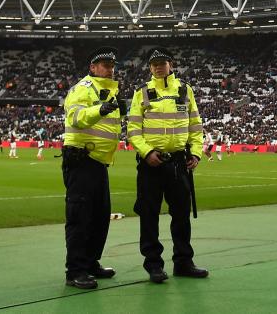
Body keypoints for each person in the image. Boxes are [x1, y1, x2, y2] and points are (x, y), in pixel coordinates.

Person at [128, 47, 208, 283]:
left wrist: (195, 153)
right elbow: (133, 129)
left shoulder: (185, 90)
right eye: (154, 64)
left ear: (170, 64)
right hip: (150, 163)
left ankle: (183, 262)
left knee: (181, 215)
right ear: (150, 67)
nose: (158, 66)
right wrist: (147, 152)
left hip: (178, 162)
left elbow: (195, 126)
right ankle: (154, 265)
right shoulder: (141, 92)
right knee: (149, 215)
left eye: (162, 62)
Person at [61, 46, 123, 290]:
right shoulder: (82, 89)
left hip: (98, 161)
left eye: (111, 65)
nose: (109, 69)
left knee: (99, 216)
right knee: (80, 216)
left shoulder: (106, 91)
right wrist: (102, 109)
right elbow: (75, 118)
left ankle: (89, 262)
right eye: (104, 65)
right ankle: (75, 270)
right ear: (92, 67)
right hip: (81, 159)